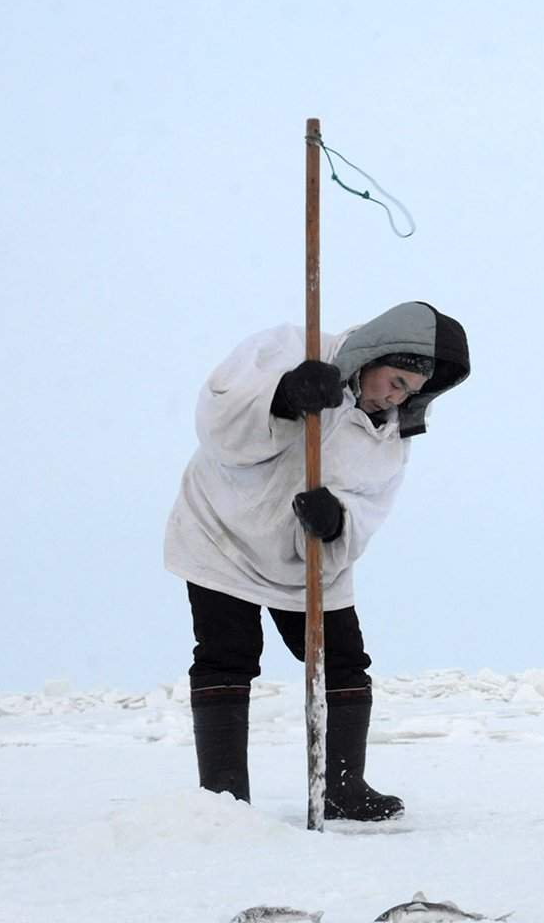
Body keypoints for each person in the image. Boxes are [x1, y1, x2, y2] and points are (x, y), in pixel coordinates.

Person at [165, 300, 469, 819]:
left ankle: (343, 788)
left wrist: (336, 522)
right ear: (374, 354)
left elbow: (370, 506)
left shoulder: (390, 436)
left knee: (343, 662)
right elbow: (215, 417)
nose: (396, 398)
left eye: (410, 392)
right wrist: (283, 397)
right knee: (227, 655)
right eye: (394, 381)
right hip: (221, 532)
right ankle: (223, 798)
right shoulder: (289, 347)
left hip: (305, 556)